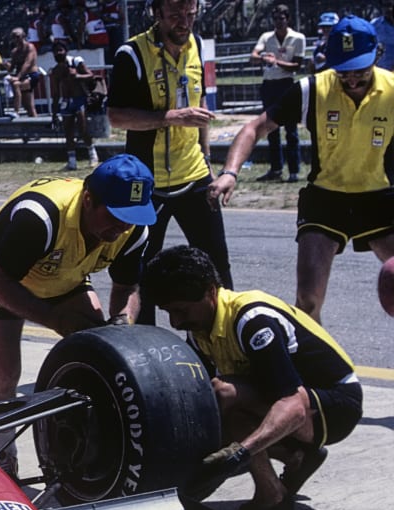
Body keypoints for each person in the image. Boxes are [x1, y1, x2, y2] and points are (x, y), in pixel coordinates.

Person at [141, 245, 361, 510]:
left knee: (224, 394)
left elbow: (293, 405)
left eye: (181, 310)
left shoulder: (253, 322)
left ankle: (273, 497)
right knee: (213, 403)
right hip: (289, 401)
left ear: (211, 291)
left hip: (337, 406)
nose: (176, 321)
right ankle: (296, 455)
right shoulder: (201, 330)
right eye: (168, 312)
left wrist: (239, 453)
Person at [0, 154, 154, 477]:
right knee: (5, 375)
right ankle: (5, 455)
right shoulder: (39, 218)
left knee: (102, 350)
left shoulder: (133, 230)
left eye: (131, 217)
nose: (123, 227)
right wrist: (54, 318)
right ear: (88, 200)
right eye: (115, 216)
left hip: (66, 269)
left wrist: (121, 325)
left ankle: (90, 434)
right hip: (7, 274)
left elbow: (127, 288)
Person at [209, 16, 394, 324]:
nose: (351, 79)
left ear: (378, 53)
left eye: (360, 70)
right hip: (325, 201)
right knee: (307, 302)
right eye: (344, 71)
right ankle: (315, 370)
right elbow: (255, 127)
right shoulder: (312, 90)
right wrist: (230, 172)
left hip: (380, 199)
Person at [108, 0, 231, 325]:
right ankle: (145, 353)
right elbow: (116, 116)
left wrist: (207, 161)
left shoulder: (198, 44)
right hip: (148, 183)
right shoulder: (131, 54)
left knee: (217, 268)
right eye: (176, 14)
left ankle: (222, 347)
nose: (184, 22)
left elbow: (200, 104)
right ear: (157, 13)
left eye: (190, 14)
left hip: (194, 175)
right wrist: (172, 117)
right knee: (140, 273)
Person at [249, 5, 305, 182]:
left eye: (281, 19)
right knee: (271, 129)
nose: (278, 22)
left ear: (287, 19)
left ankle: (294, 170)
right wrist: (263, 58)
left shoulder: (297, 38)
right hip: (270, 85)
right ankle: (275, 168)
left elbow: (297, 65)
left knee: (291, 130)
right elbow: (253, 55)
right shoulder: (266, 37)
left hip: (286, 84)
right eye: (275, 19)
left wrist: (277, 62)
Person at [49, 40, 98, 170]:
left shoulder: (76, 62)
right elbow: (55, 94)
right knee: (68, 131)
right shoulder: (55, 71)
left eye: (60, 50)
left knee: (83, 129)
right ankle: (72, 161)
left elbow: (90, 75)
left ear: (66, 51)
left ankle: (93, 155)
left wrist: (77, 76)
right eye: (55, 51)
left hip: (80, 99)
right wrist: (54, 114)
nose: (58, 53)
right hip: (66, 101)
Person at [9, 28, 40, 118]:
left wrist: (18, 77)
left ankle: (16, 111)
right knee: (29, 107)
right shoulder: (14, 52)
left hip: (31, 76)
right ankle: (36, 126)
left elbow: (27, 63)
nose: (15, 39)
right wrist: (5, 65)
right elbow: (11, 68)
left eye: (17, 36)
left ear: (23, 36)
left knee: (16, 84)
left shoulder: (30, 47)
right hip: (23, 77)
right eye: (13, 37)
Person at [374, 0, 394, 71]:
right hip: (383, 72)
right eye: (385, 6)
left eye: (390, 5)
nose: (388, 9)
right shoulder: (375, 25)